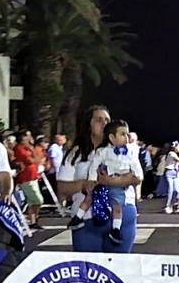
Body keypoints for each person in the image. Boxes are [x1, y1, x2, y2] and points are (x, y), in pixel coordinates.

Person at [56, 105, 139, 253]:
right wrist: (85, 184)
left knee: (119, 270)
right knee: (90, 271)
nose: (105, 123)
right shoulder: (76, 154)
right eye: (99, 120)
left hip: (121, 212)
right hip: (87, 219)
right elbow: (62, 188)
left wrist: (112, 182)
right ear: (88, 125)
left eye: (107, 119)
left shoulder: (125, 150)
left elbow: (137, 178)